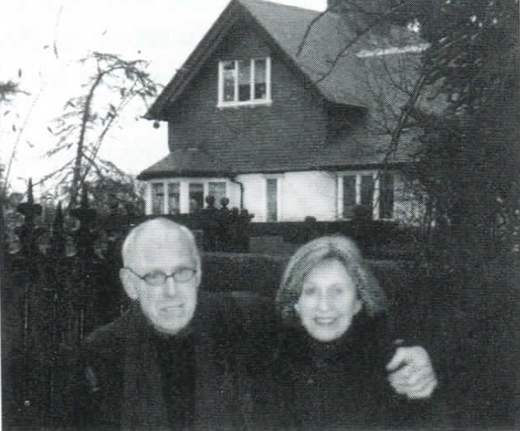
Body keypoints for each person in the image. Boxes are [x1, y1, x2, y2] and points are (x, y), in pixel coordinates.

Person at [76, 219, 438, 430]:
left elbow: (333, 322)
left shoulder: (241, 318)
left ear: (200, 274)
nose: (171, 291)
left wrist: (411, 348)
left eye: (183, 272)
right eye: (153, 276)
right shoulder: (104, 353)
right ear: (129, 284)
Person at [250, 235, 443, 430]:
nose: (324, 306)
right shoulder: (266, 367)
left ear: (359, 302)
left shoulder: (398, 368)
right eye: (310, 291)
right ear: (295, 303)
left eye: (337, 291)